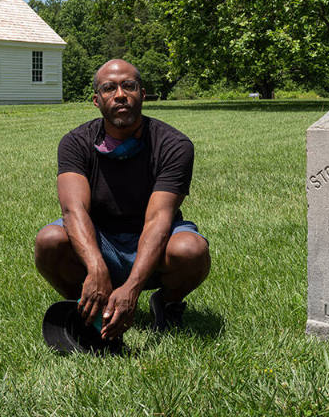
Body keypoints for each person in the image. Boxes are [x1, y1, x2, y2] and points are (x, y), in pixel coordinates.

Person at [35, 59, 210, 343]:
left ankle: (166, 304)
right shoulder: (75, 142)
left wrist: (132, 287)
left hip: (153, 238)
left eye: (128, 86)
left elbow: (159, 220)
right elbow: (73, 210)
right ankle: (88, 307)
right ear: (96, 100)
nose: (120, 94)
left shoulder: (174, 145)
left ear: (142, 93)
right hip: (100, 239)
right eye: (109, 88)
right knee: (49, 240)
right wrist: (95, 268)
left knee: (191, 249)